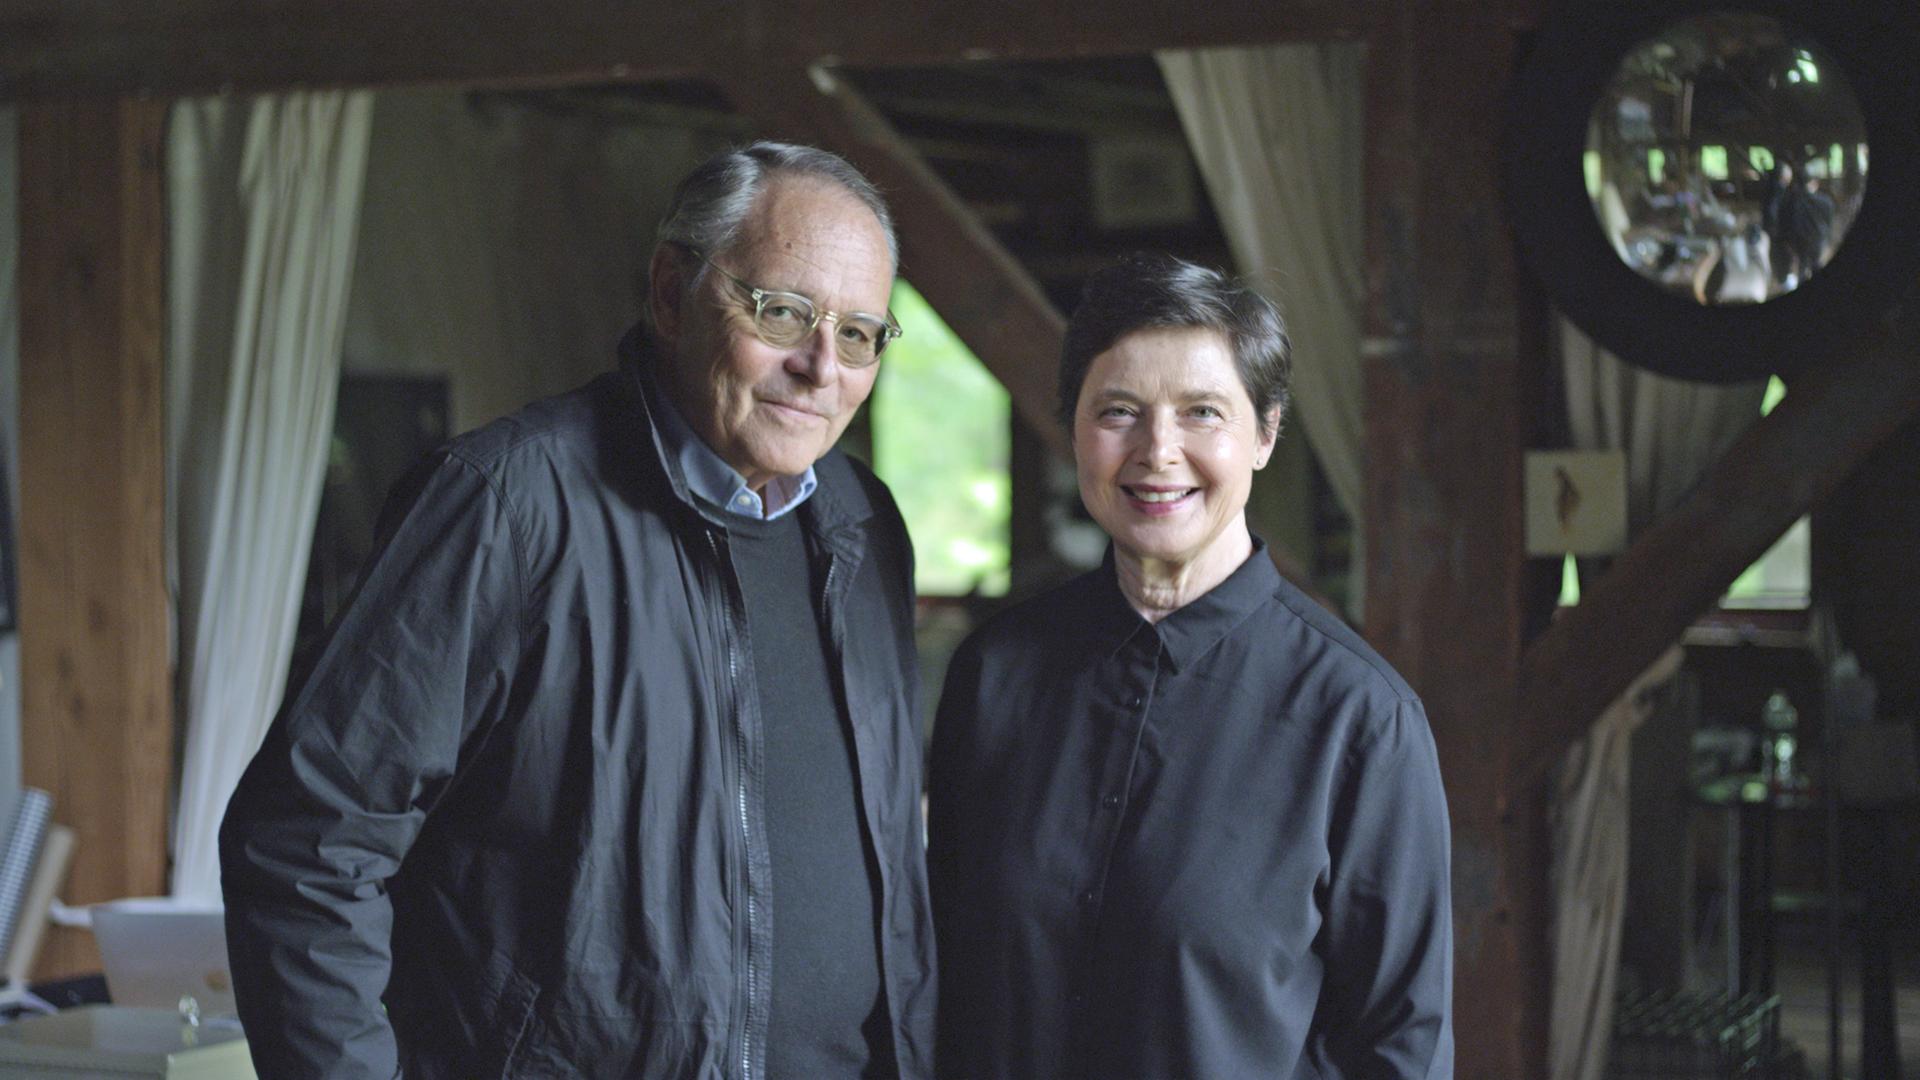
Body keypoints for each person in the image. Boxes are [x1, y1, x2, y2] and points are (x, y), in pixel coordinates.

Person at [221, 142, 936, 1079]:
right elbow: (308, 840)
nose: (820, 367)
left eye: (857, 335)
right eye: (783, 312)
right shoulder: (507, 505)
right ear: (673, 294)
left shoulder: (863, 524)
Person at [928, 253, 1453, 1079]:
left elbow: (1399, 1049)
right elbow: (943, 975)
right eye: (1120, 411)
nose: (1157, 450)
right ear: (1074, 428)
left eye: (1202, 412)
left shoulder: (1360, 721)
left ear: (1266, 433)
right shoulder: (994, 675)